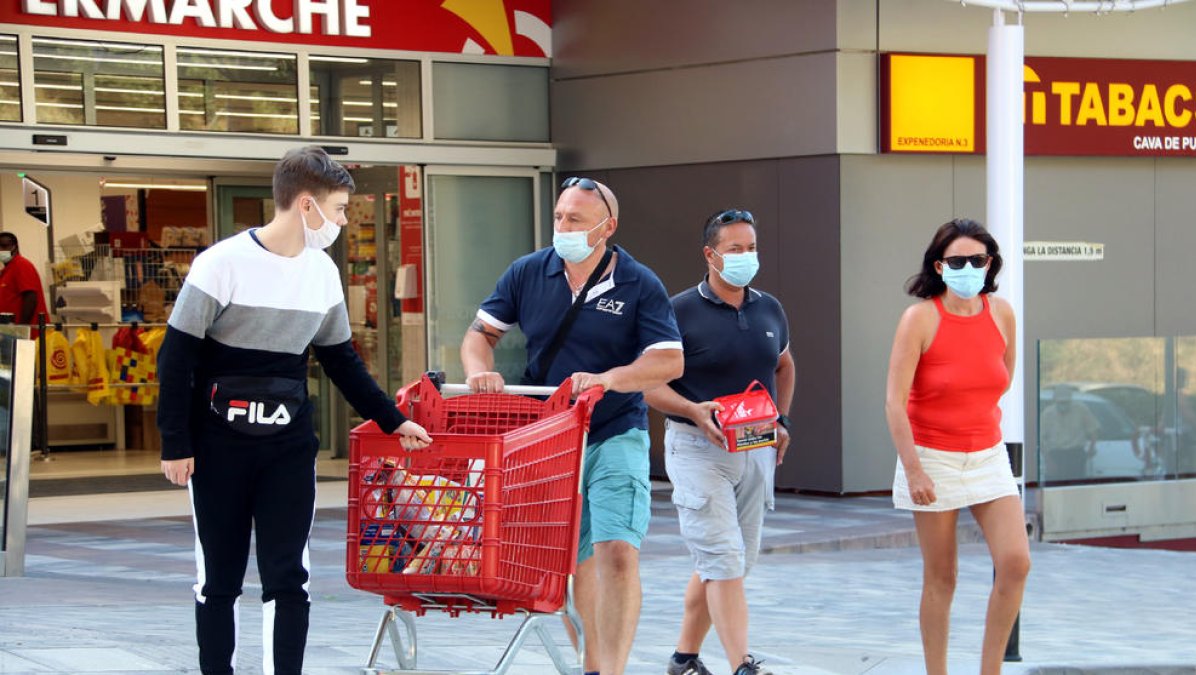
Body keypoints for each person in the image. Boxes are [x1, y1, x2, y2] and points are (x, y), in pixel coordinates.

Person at [156, 146, 432, 675]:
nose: (344, 220)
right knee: (220, 576)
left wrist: (394, 420)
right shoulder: (220, 263)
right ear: (307, 206)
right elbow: (177, 359)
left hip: (287, 447)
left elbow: (341, 361)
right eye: (341, 208)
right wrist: (176, 442)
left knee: (288, 575)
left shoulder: (322, 274)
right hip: (217, 446)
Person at [461, 177, 683, 675]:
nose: (563, 226)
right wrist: (479, 370)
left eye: (576, 219)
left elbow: (669, 362)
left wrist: (608, 379)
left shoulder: (638, 282)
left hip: (614, 431)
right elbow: (480, 335)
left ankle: (613, 670)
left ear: (609, 226)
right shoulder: (528, 272)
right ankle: (591, 664)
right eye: (560, 216)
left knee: (617, 551)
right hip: (551, 436)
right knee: (570, 564)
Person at [644, 209, 794, 675]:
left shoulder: (769, 307)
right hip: (696, 450)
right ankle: (742, 665)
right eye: (736, 249)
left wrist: (782, 420)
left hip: (755, 448)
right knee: (723, 560)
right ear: (711, 255)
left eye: (751, 248)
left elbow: (784, 365)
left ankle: (684, 658)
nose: (747, 257)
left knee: (729, 560)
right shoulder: (677, 310)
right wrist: (693, 410)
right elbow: (649, 384)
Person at [884, 218, 1030, 675]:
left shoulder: (1002, 313)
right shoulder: (920, 318)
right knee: (942, 578)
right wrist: (914, 470)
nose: (968, 267)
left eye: (977, 260)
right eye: (957, 260)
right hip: (931, 458)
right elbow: (893, 401)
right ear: (939, 266)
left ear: (990, 264)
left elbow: (1001, 378)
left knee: (1015, 563)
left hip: (988, 455)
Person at [1039, 384, 1100, 482]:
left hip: (1076, 454)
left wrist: (1092, 447)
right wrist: (1048, 460)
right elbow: (1040, 439)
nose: (1063, 405)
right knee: (1055, 486)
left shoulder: (1081, 409)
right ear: (1055, 401)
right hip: (1056, 455)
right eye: (1061, 402)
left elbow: (1093, 429)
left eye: (1066, 402)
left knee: (1076, 486)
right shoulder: (1048, 414)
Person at [0, 232, 50, 332]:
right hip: (10, 331)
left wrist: (21, 328)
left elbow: (31, 298)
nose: (1, 250)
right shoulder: (6, 271)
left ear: (14, 247)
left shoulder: (21, 265)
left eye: (4, 246)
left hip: (28, 334)